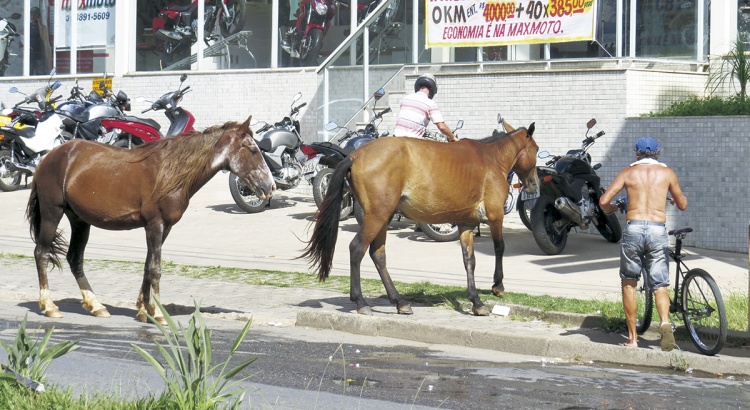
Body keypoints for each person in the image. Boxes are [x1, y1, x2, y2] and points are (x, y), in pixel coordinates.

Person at [599, 136, 688, 351]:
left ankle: (633, 339)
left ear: (636, 153)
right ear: (658, 153)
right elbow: (683, 204)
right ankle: (665, 322)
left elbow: (603, 202)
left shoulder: (628, 172)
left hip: (634, 228)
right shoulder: (667, 173)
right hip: (658, 230)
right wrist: (675, 199)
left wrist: (611, 209)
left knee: (629, 281)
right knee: (660, 284)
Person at [392, 73, 458, 142]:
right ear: (432, 90)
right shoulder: (430, 103)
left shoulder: (406, 98)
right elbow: (441, 126)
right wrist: (452, 137)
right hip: (413, 141)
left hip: (396, 137)